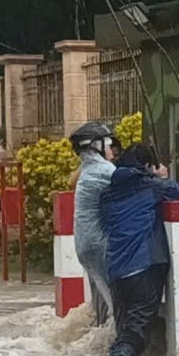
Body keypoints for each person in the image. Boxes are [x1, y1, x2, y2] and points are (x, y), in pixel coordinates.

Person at [97, 142, 179, 356]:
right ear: (146, 166)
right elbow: (175, 190)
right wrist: (161, 176)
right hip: (144, 268)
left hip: (116, 273)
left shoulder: (107, 194)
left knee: (125, 332)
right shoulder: (149, 186)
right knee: (134, 335)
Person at [70, 121, 118, 327]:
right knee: (117, 301)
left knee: (102, 298)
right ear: (95, 146)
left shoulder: (87, 169)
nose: (111, 149)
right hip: (99, 245)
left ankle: (100, 337)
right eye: (106, 144)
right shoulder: (103, 170)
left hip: (84, 245)